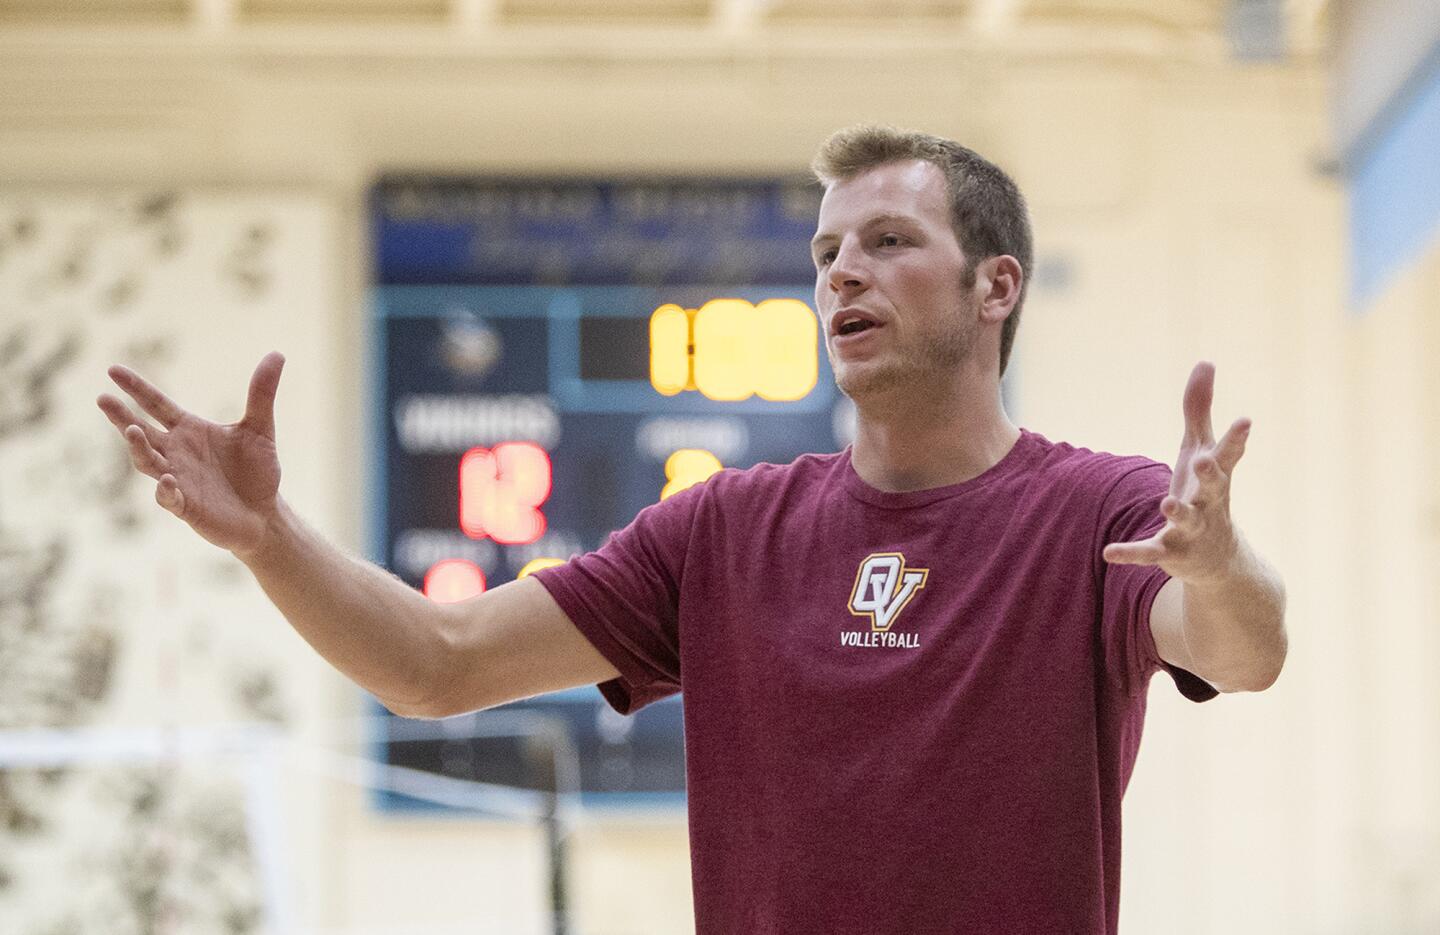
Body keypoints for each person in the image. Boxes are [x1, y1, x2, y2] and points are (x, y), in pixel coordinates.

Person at [98, 125, 1287, 934]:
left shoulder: (1101, 511)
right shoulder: (722, 528)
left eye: (887, 242)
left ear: (997, 286)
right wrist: (266, 535)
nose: (841, 275)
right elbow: (432, 663)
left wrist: (1221, 560)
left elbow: (1244, 650)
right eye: (825, 251)